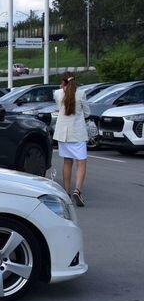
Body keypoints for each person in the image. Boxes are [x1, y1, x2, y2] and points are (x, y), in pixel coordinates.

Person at [53, 72, 90, 206]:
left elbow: (59, 106)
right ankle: (77, 191)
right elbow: (87, 113)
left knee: (67, 162)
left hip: (63, 133)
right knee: (81, 163)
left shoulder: (57, 93)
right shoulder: (81, 94)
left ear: (63, 82)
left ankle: (67, 192)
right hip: (77, 133)